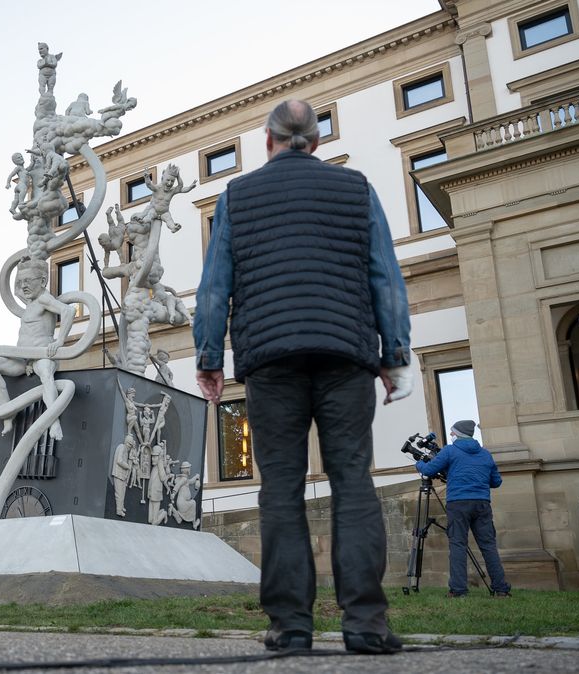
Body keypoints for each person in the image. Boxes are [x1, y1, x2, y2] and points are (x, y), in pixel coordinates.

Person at [192, 100, 413, 655]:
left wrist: (208, 358)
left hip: (271, 360)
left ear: (267, 141)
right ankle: (366, 624)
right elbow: (385, 275)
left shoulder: (237, 196)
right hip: (345, 354)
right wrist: (396, 354)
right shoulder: (357, 188)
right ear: (315, 142)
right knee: (354, 483)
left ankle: (290, 626)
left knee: (281, 492)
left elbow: (215, 286)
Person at [0, 258, 73, 441]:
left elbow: (68, 311)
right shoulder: (28, 299)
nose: (23, 286)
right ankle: (8, 413)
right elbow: (14, 290)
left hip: (41, 355)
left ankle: (54, 423)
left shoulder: (45, 298)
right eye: (21, 282)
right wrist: (20, 266)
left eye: (28, 281)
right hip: (22, 358)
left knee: (46, 373)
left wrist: (60, 341)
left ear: (43, 281)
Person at [416, 420, 511, 598]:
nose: (451, 435)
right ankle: (501, 589)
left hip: (458, 503)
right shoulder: (485, 454)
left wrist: (419, 464)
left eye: (452, 433)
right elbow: (496, 482)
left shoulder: (450, 451)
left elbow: (429, 470)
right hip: (482, 504)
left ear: (458, 434)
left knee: (458, 545)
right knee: (489, 546)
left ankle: (459, 590)